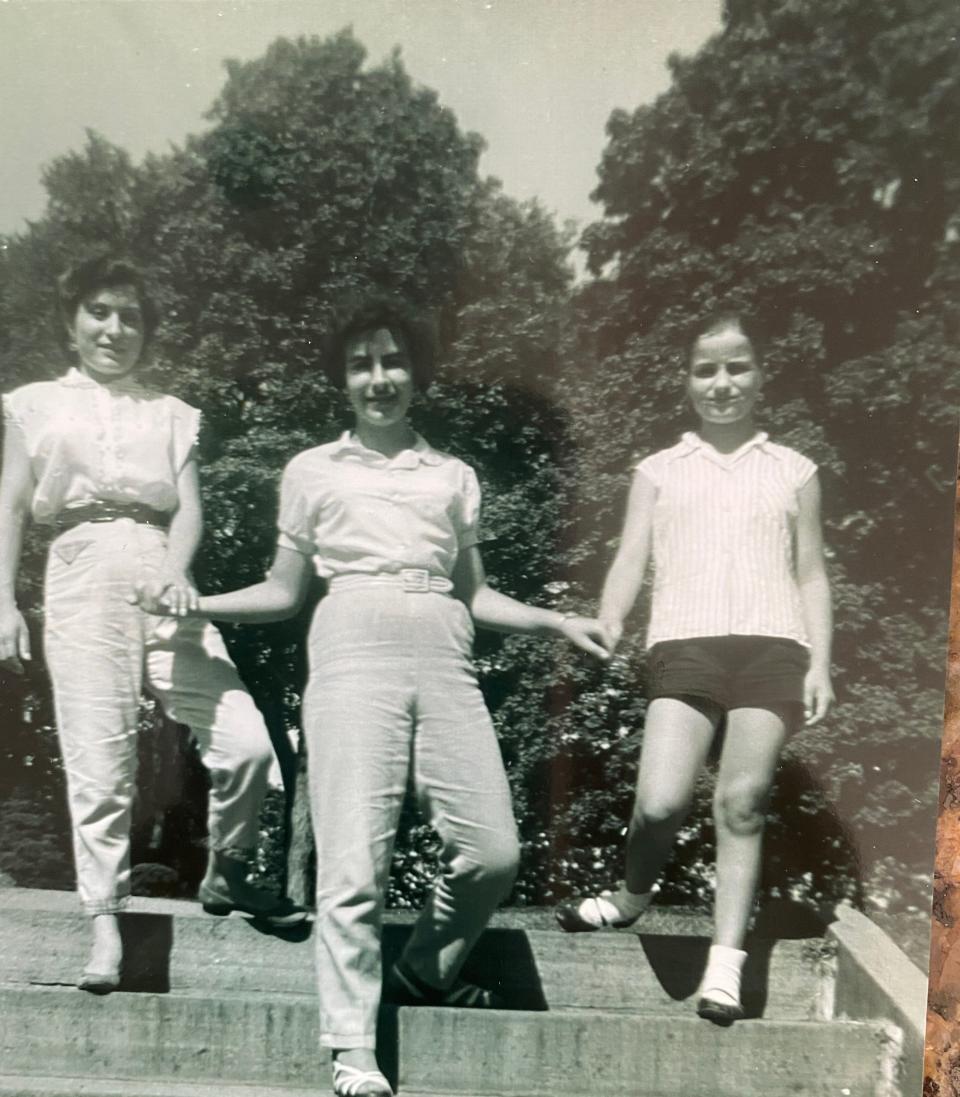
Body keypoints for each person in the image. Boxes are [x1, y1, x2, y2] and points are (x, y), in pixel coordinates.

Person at [136, 298, 610, 1097]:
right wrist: (198, 601)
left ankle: (424, 968)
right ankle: (354, 1047)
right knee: (354, 857)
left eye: (393, 361)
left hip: (444, 643)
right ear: (344, 379)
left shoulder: (452, 475)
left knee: (493, 848)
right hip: (350, 641)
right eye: (362, 364)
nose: (379, 377)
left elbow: (479, 594)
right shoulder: (312, 470)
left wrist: (557, 618)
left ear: (416, 374)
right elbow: (285, 592)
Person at [0, 254, 304, 995]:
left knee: (246, 741)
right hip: (77, 566)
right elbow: (11, 501)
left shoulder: (170, 413)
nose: (114, 328)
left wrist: (176, 566)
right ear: (73, 324)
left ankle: (228, 868)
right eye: (100, 313)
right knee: (100, 757)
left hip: (161, 568)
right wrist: (3, 600)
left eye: (130, 316)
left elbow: (190, 507)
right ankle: (105, 917)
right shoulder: (34, 404)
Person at [555, 312, 834, 1025]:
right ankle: (631, 895)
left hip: (774, 647)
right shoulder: (658, 471)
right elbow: (629, 556)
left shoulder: (794, 471)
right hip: (684, 643)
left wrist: (821, 662)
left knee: (739, 803)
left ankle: (724, 966)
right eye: (707, 368)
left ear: (760, 374)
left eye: (737, 366)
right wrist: (611, 616)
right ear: (687, 380)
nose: (723, 382)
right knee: (660, 803)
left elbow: (809, 574)